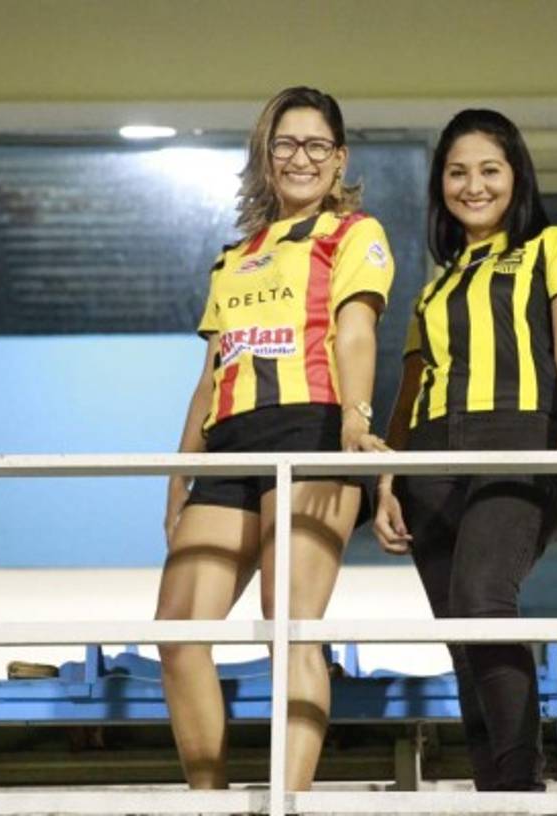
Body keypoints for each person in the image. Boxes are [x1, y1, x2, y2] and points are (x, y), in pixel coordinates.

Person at [156, 86, 394, 792]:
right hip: (229, 446)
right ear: (265, 156)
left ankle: (287, 805)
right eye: (286, 144)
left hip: (313, 428)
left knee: (288, 623)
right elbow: (209, 378)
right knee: (177, 633)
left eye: (317, 145)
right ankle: (210, 804)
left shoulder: (355, 233)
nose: (301, 158)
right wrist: (177, 479)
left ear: (339, 158)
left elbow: (355, 329)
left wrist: (356, 416)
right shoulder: (234, 258)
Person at [373, 109, 557, 792]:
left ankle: (520, 789)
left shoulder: (553, 244)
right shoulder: (435, 284)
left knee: (482, 600)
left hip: (519, 437)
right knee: (462, 638)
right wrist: (388, 476)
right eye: (457, 172)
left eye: (489, 169)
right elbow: (410, 389)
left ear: (516, 175)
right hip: (431, 461)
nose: (473, 185)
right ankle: (492, 792)